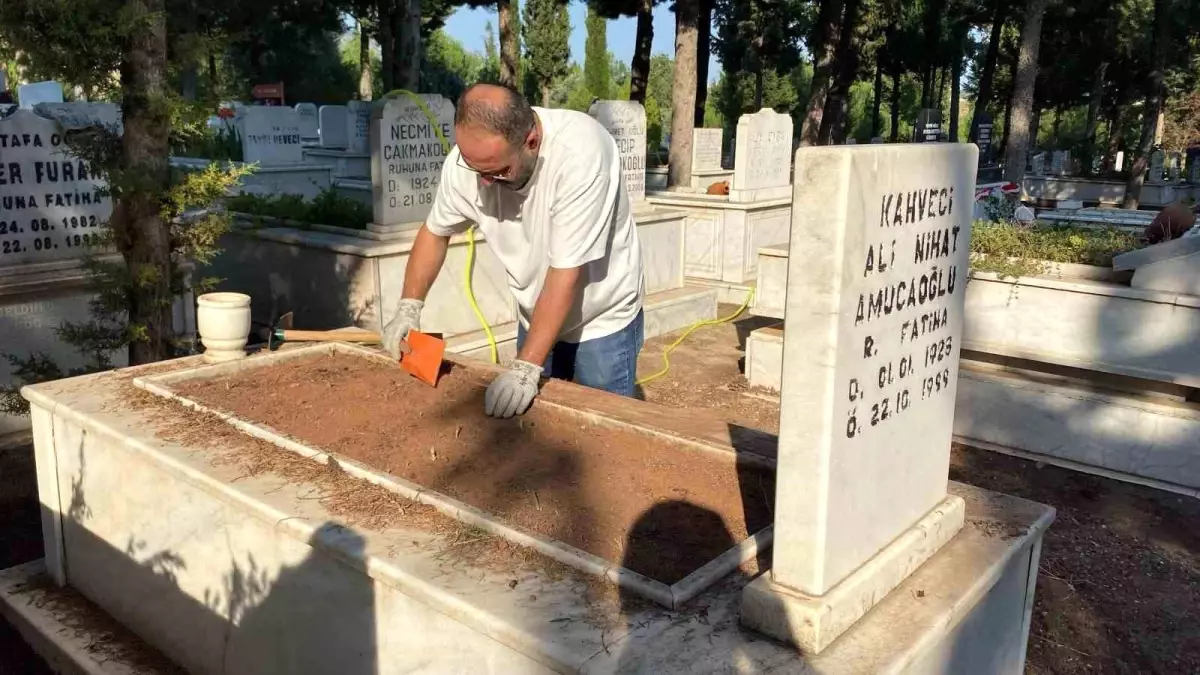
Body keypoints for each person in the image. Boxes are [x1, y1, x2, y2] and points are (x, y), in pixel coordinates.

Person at [381, 84, 645, 419]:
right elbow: (435, 231)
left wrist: (525, 368)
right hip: (536, 314)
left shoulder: (581, 154)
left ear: (531, 141)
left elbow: (566, 271)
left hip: (600, 320)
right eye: (477, 170)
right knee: (534, 435)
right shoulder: (470, 163)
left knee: (605, 434)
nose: (485, 181)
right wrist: (409, 307)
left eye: (499, 171)